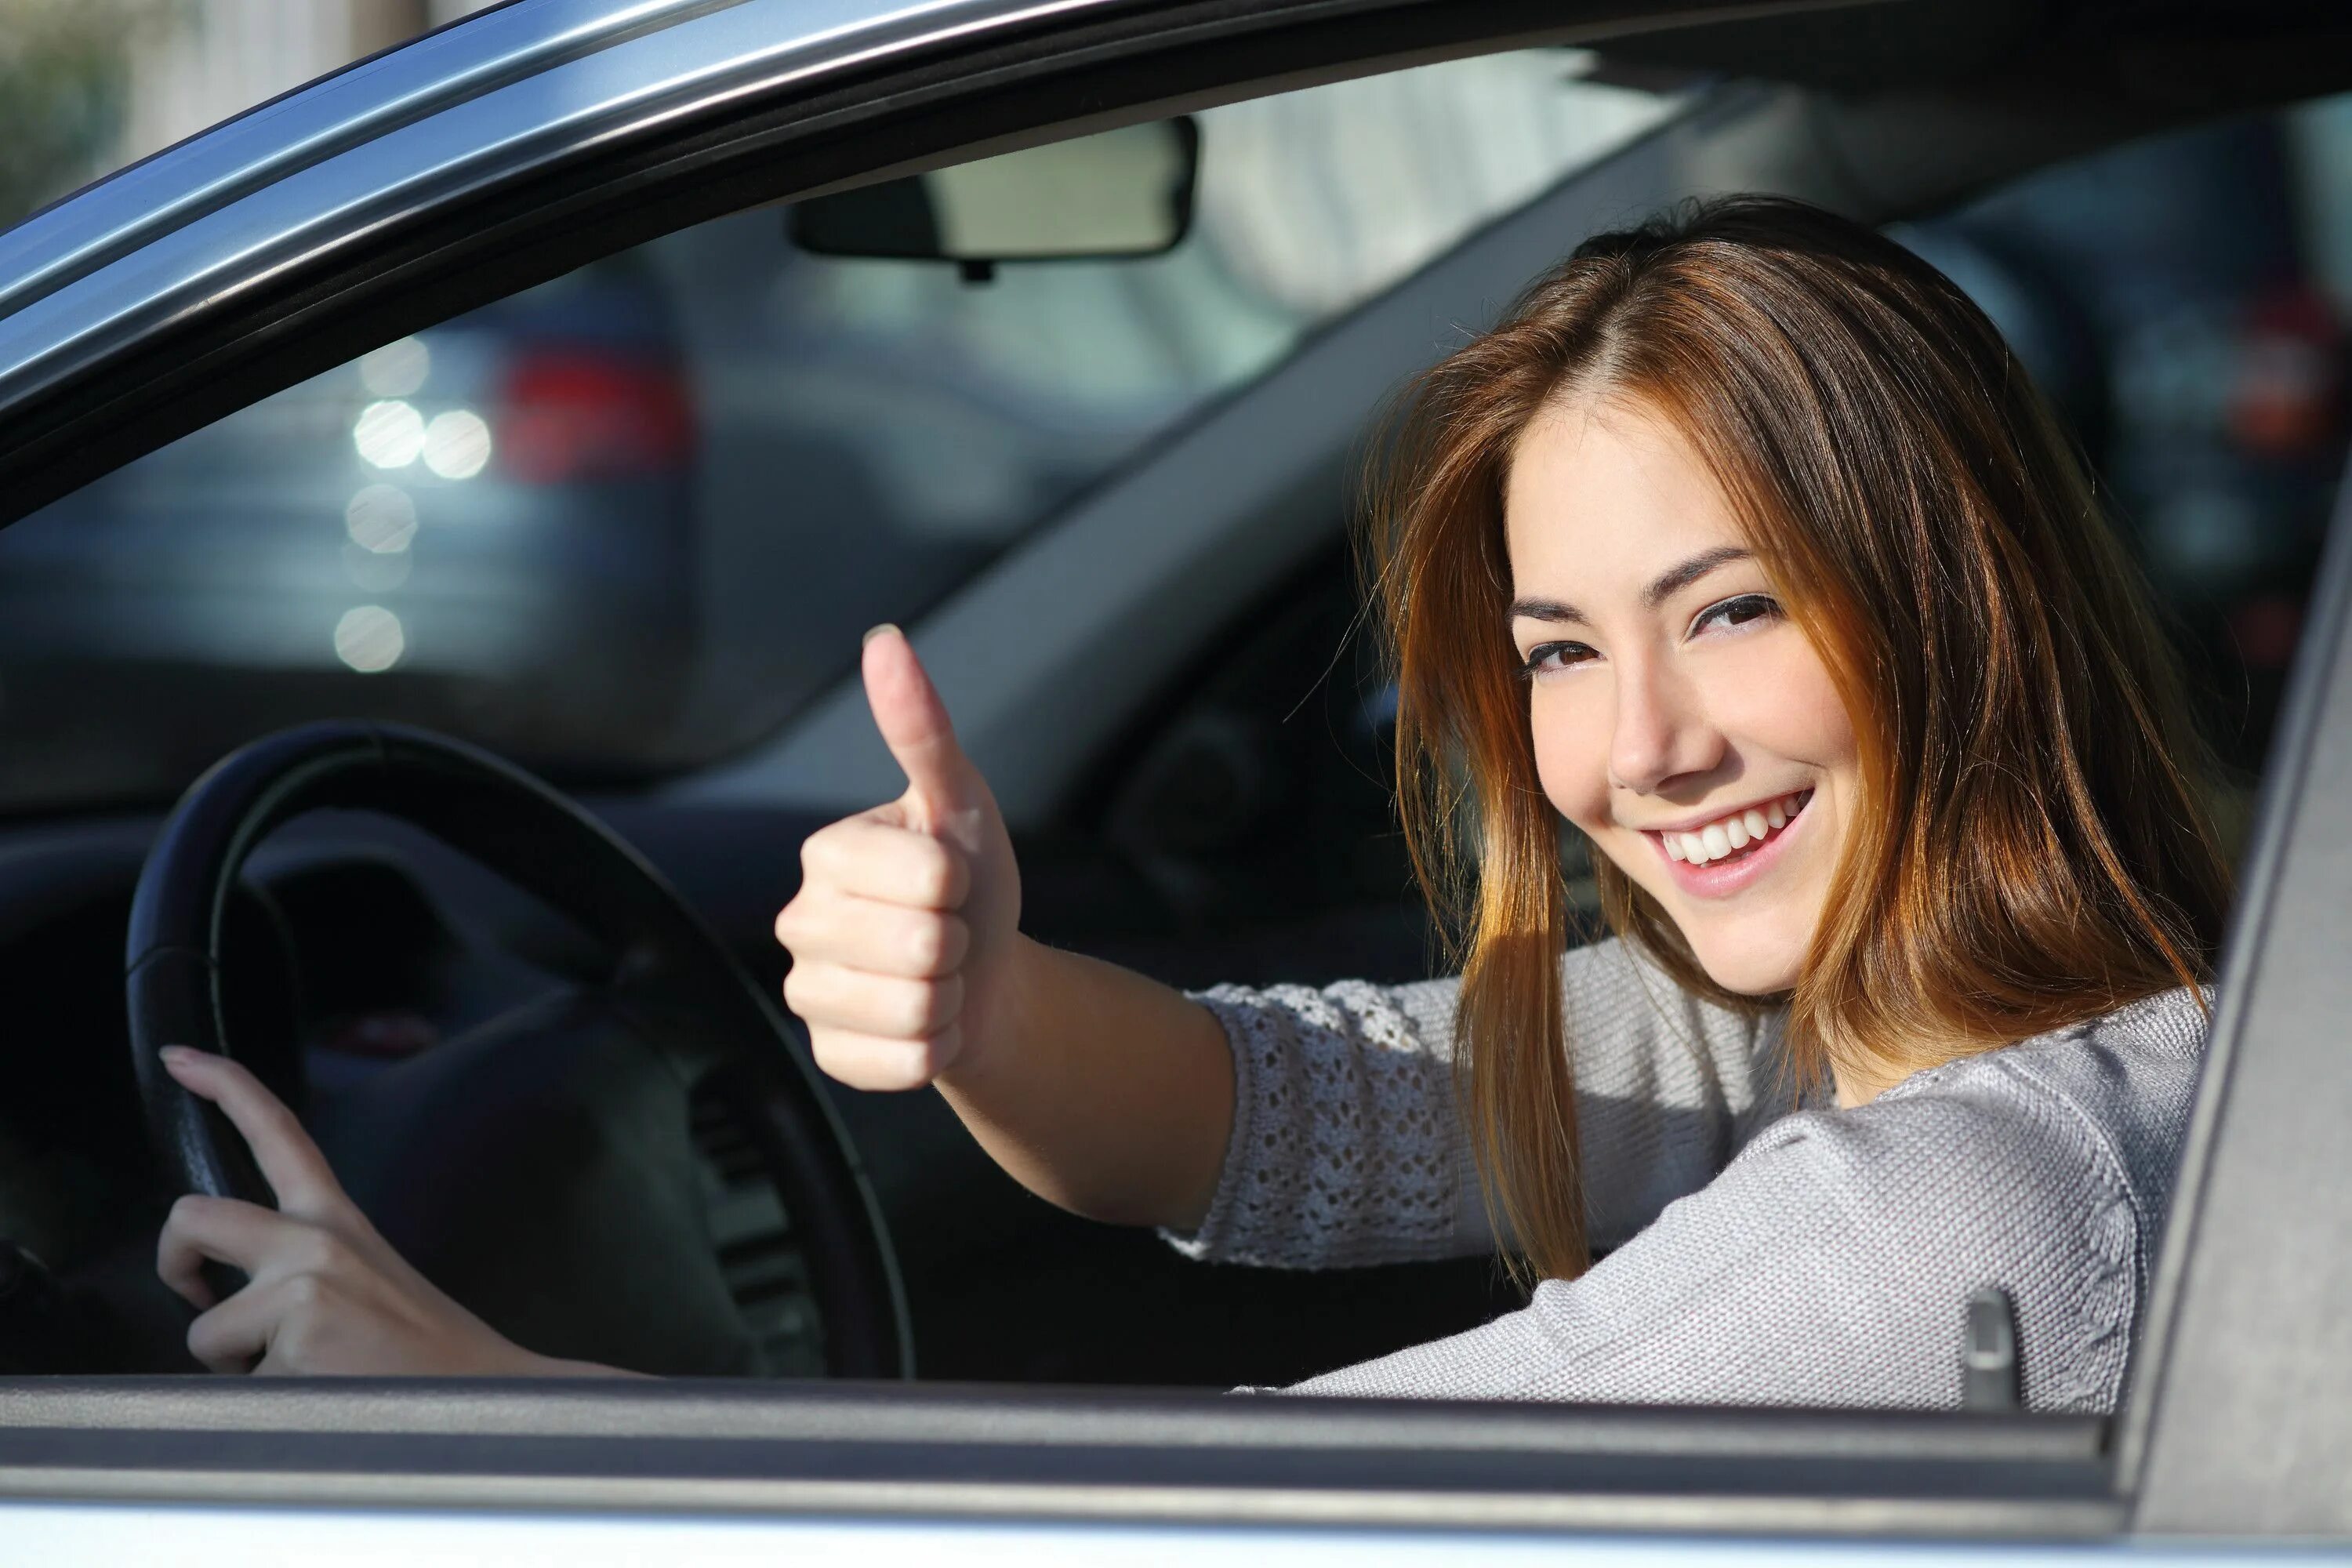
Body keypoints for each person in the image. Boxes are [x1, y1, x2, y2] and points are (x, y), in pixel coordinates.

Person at [157, 196, 2230, 1407]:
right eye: (1565, 651)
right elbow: (1279, 1112)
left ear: (1958, 601)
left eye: (1738, 610)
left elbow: (1221, 1524)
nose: (1642, 750)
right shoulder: (1903, 1029)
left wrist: (478, 1409)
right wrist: (982, 1003)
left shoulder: (1968, 1213)